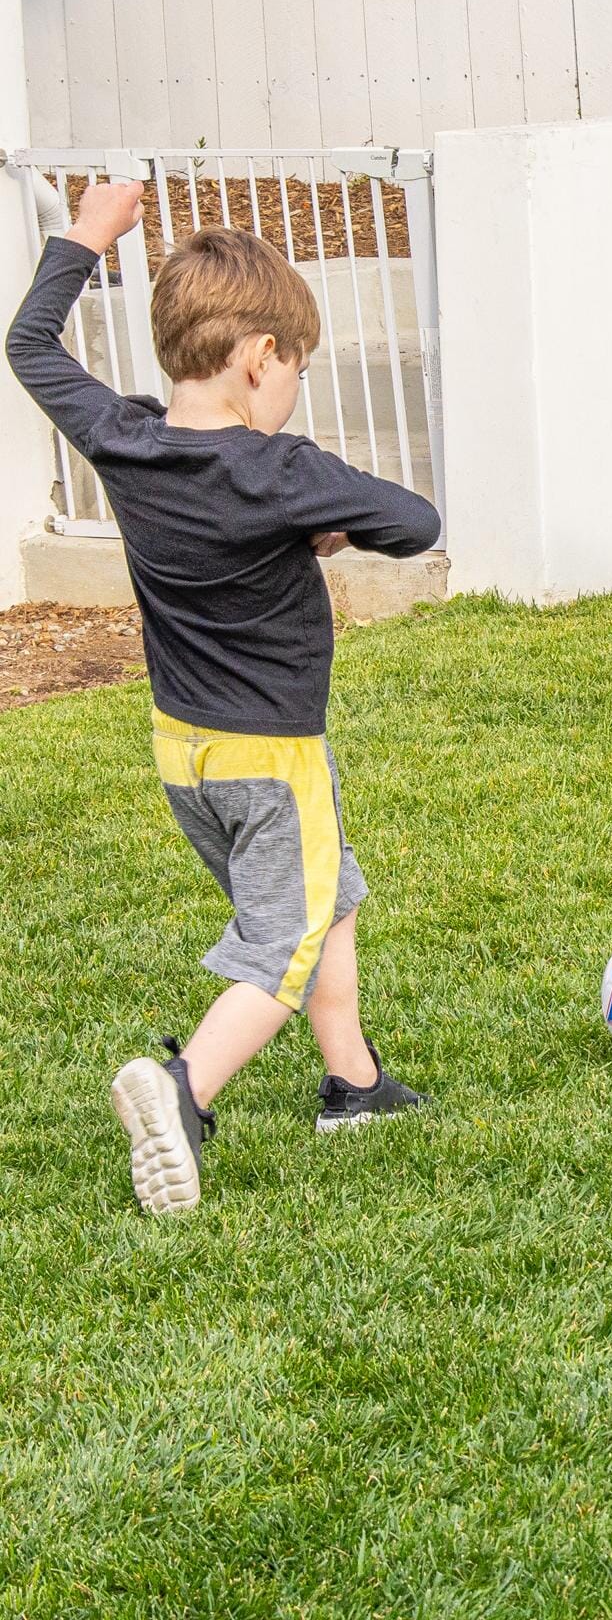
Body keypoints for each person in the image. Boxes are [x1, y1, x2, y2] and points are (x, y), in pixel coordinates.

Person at [6, 181, 441, 1212]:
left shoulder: (124, 436)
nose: (291, 387)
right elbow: (416, 520)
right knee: (280, 945)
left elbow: (30, 346)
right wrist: (330, 526)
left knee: (325, 895)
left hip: (183, 754)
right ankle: (182, 1088)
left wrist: (84, 237)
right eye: (295, 367)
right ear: (258, 357)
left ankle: (357, 1083)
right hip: (271, 756)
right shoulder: (280, 472)